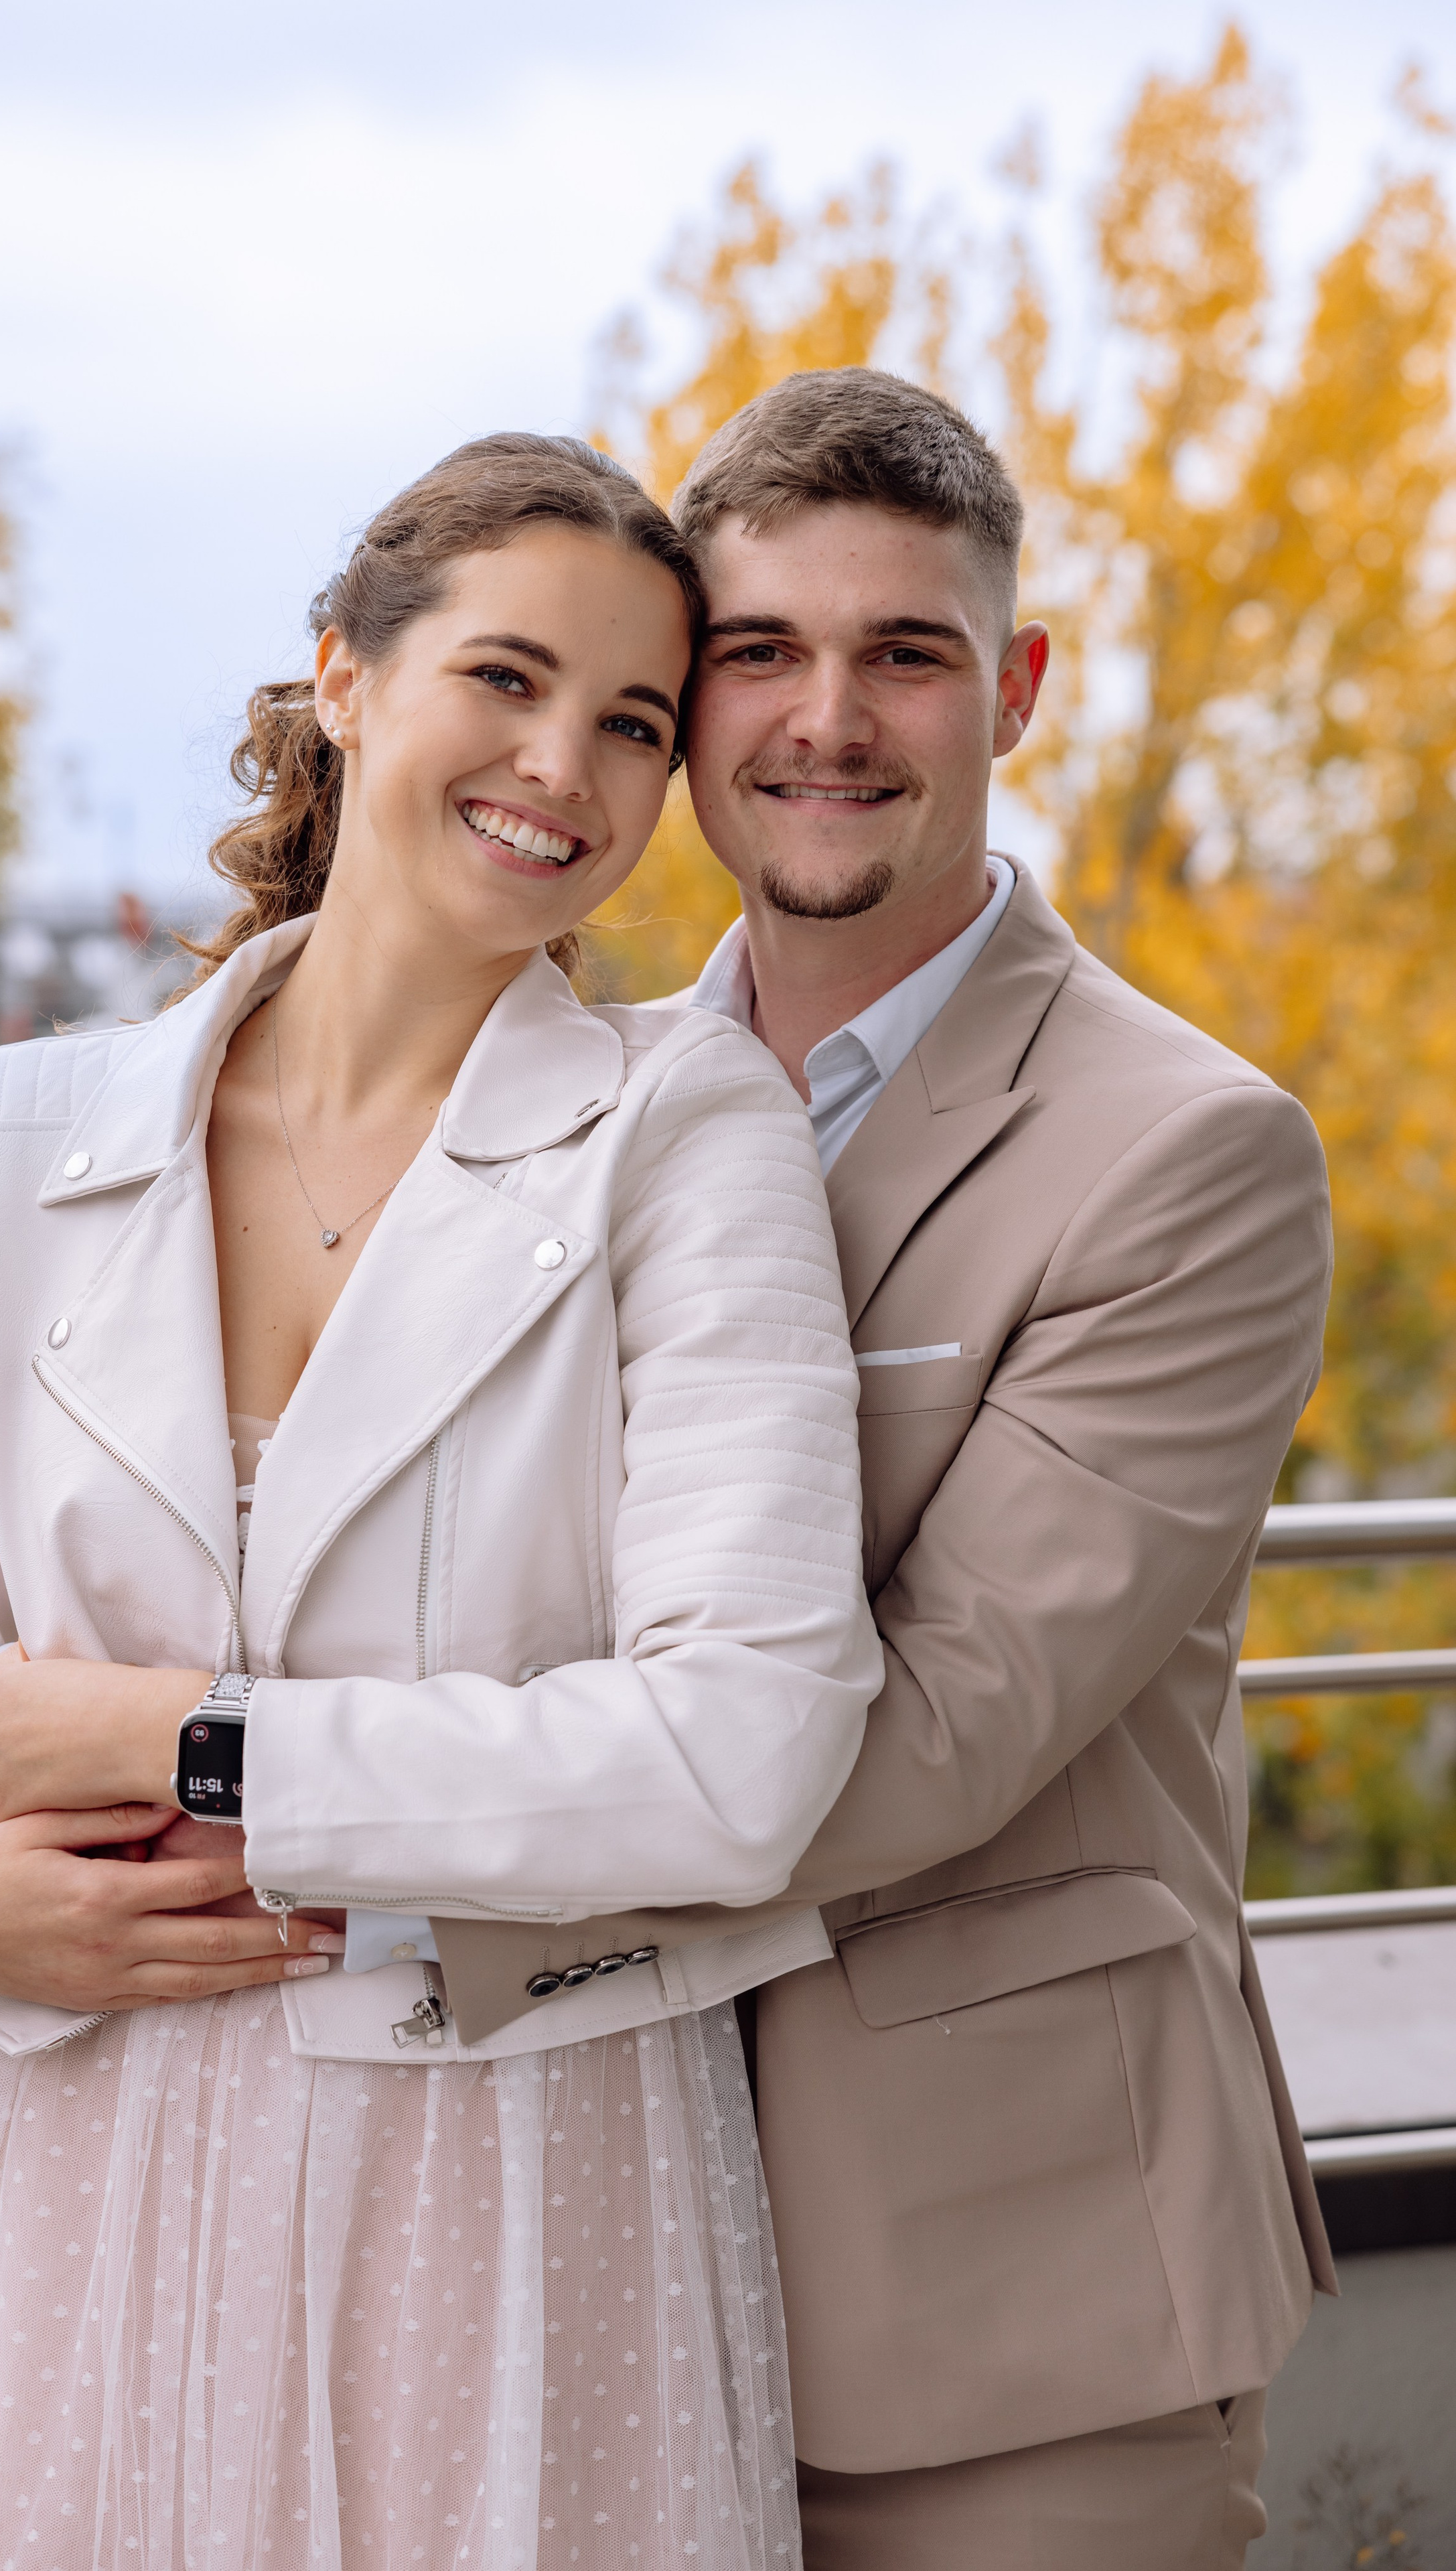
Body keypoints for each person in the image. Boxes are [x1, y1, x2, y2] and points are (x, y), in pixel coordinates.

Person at [0, 433, 885, 2571]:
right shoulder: (22, 1129)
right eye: (508, 676)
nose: (566, 763)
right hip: (33, 2167)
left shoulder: (684, 1128)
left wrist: (193, 1745)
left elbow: (746, 1749)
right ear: (349, 677)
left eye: (637, 724)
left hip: (496, 2181)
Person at [425, 372, 1337, 2570]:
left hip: (1010, 2293)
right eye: (760, 653)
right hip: (575, 2232)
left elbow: (933, 1727)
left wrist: (337, 1876)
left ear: (1011, 690)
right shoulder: (557, 1102)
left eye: (905, 654)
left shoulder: (1190, 1152)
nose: (827, 720)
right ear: (680, 703)